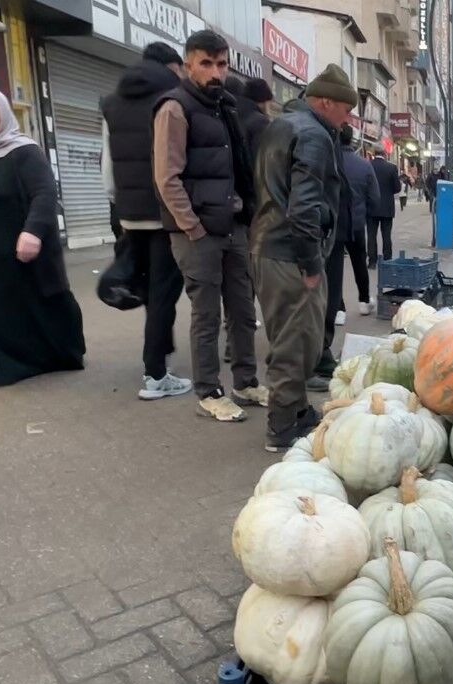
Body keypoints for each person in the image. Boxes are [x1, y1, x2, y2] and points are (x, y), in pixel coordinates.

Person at [153, 30, 266, 422]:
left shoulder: (226, 106)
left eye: (221, 64)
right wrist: (193, 228)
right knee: (205, 314)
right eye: (206, 63)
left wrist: (247, 216)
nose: (215, 71)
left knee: (242, 309)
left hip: (233, 225)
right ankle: (209, 390)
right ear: (188, 66)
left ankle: (246, 382)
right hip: (197, 232)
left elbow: (239, 168)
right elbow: (167, 177)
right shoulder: (175, 107)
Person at [0, 87, 86, 391]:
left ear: (4, 113)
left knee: (21, 305)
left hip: (11, 248)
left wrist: (33, 231)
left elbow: (45, 193)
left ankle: (16, 362)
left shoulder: (23, 151)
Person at [251, 63, 357, 451]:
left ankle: (295, 410)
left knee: (290, 336)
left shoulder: (282, 124)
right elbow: (305, 206)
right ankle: (282, 427)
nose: (349, 118)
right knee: (298, 341)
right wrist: (312, 265)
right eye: (347, 110)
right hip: (290, 253)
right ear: (326, 102)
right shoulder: (313, 135)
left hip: (269, 246)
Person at [101, 42, 192, 401]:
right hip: (165, 214)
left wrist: (120, 206)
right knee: (163, 294)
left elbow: (106, 165)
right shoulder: (173, 99)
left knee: (150, 289)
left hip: (129, 213)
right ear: (173, 66)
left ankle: (160, 358)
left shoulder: (112, 102)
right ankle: (155, 374)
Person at [319, 124, 379, 373]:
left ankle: (339, 309)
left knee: (334, 272)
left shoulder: (328, 162)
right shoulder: (364, 165)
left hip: (333, 225)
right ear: (353, 141)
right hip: (356, 224)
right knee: (359, 263)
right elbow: (374, 196)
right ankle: (364, 301)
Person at [367, 147, 402, 266]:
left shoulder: (368, 165)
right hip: (387, 207)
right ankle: (387, 260)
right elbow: (397, 188)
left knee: (371, 235)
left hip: (371, 206)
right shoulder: (391, 168)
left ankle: (372, 261)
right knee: (386, 235)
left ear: (374, 154)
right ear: (385, 154)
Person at [227, 75, 273, 151]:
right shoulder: (260, 121)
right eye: (269, 102)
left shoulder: (232, 113)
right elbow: (259, 156)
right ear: (264, 101)